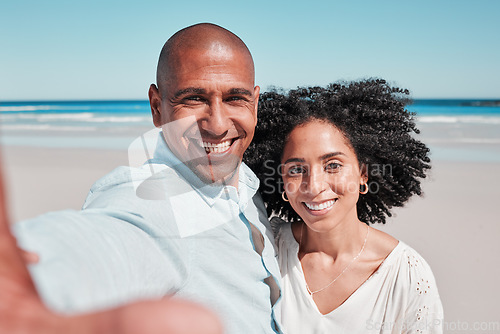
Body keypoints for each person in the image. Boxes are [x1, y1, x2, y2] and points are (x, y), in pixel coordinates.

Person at [4, 23, 282, 334]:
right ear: (156, 107)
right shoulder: (154, 200)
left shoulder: (249, 181)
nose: (217, 124)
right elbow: (113, 238)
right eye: (193, 98)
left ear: (255, 104)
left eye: (234, 98)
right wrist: (37, 275)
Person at [245, 79, 444, 333]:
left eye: (333, 165)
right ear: (281, 180)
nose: (314, 186)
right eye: (296, 169)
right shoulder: (266, 249)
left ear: (363, 174)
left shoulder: (407, 276)